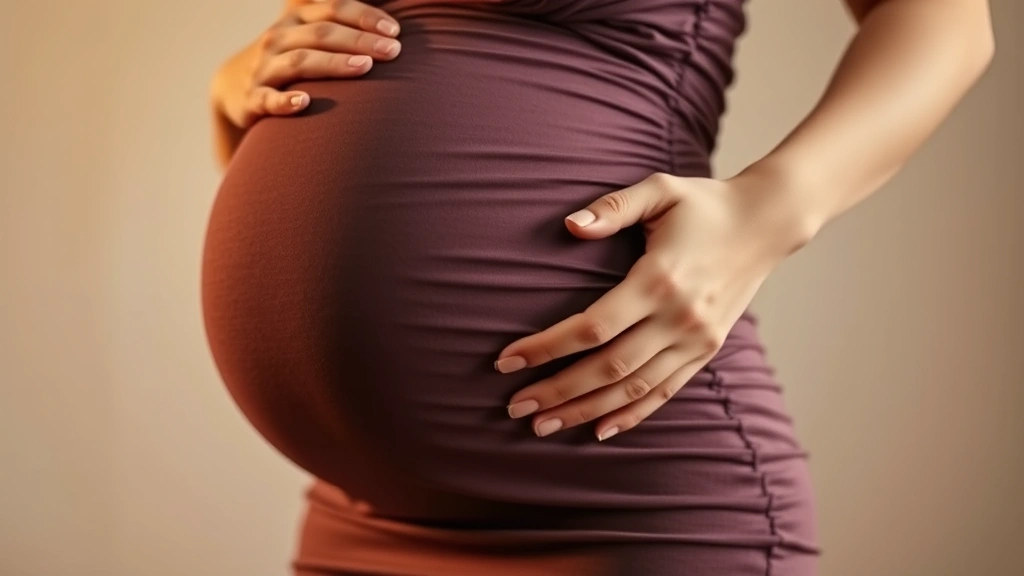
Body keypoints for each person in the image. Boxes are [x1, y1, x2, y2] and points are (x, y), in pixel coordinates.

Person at [200, 0, 994, 574]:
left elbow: (950, 23)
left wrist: (770, 208)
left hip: (620, 498)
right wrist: (235, 85)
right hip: (362, 510)